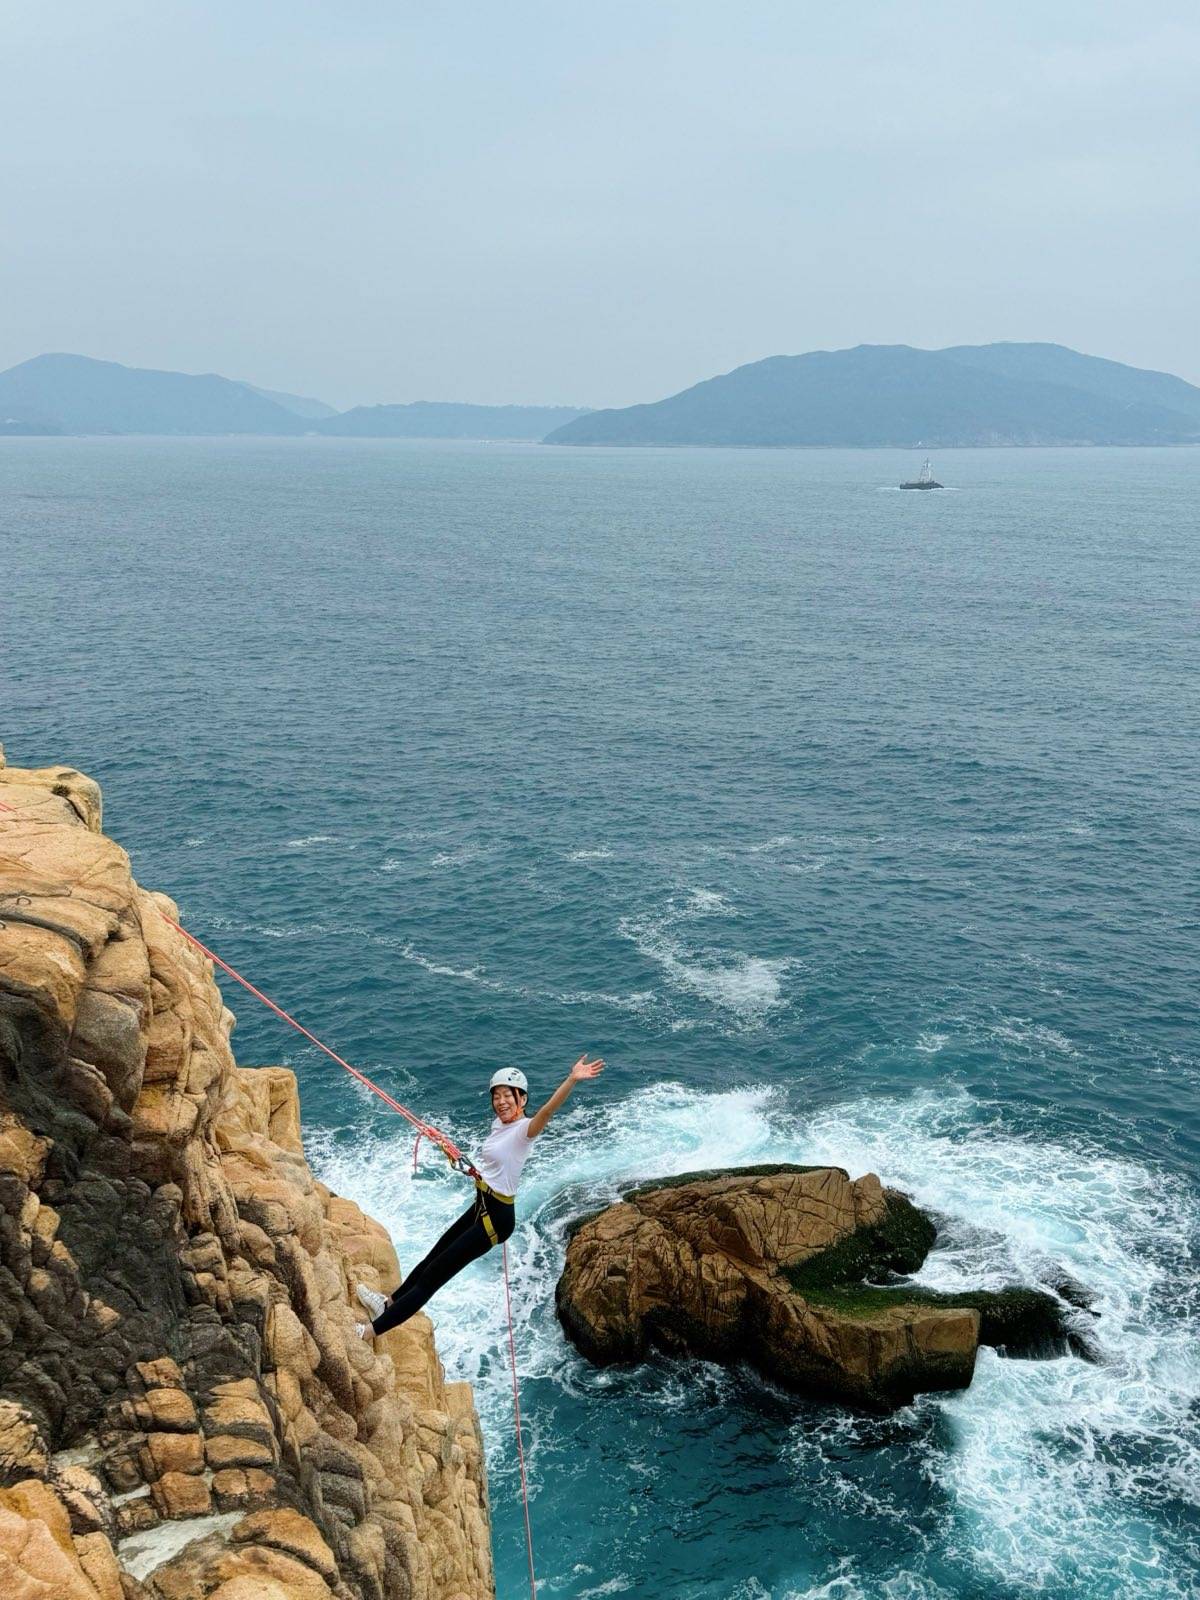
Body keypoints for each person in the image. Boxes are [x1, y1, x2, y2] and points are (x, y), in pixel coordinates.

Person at [355, 1053, 604, 1337]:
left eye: (508, 1095)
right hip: (483, 1204)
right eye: (496, 1096)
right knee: (431, 1259)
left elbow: (546, 1112)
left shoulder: (524, 1131)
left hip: (496, 1218)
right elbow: (496, 1166)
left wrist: (572, 1079)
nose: (501, 1102)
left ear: (522, 1099)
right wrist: (463, 1162)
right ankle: (387, 1304)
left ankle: (367, 1333)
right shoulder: (500, 1125)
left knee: (432, 1278)